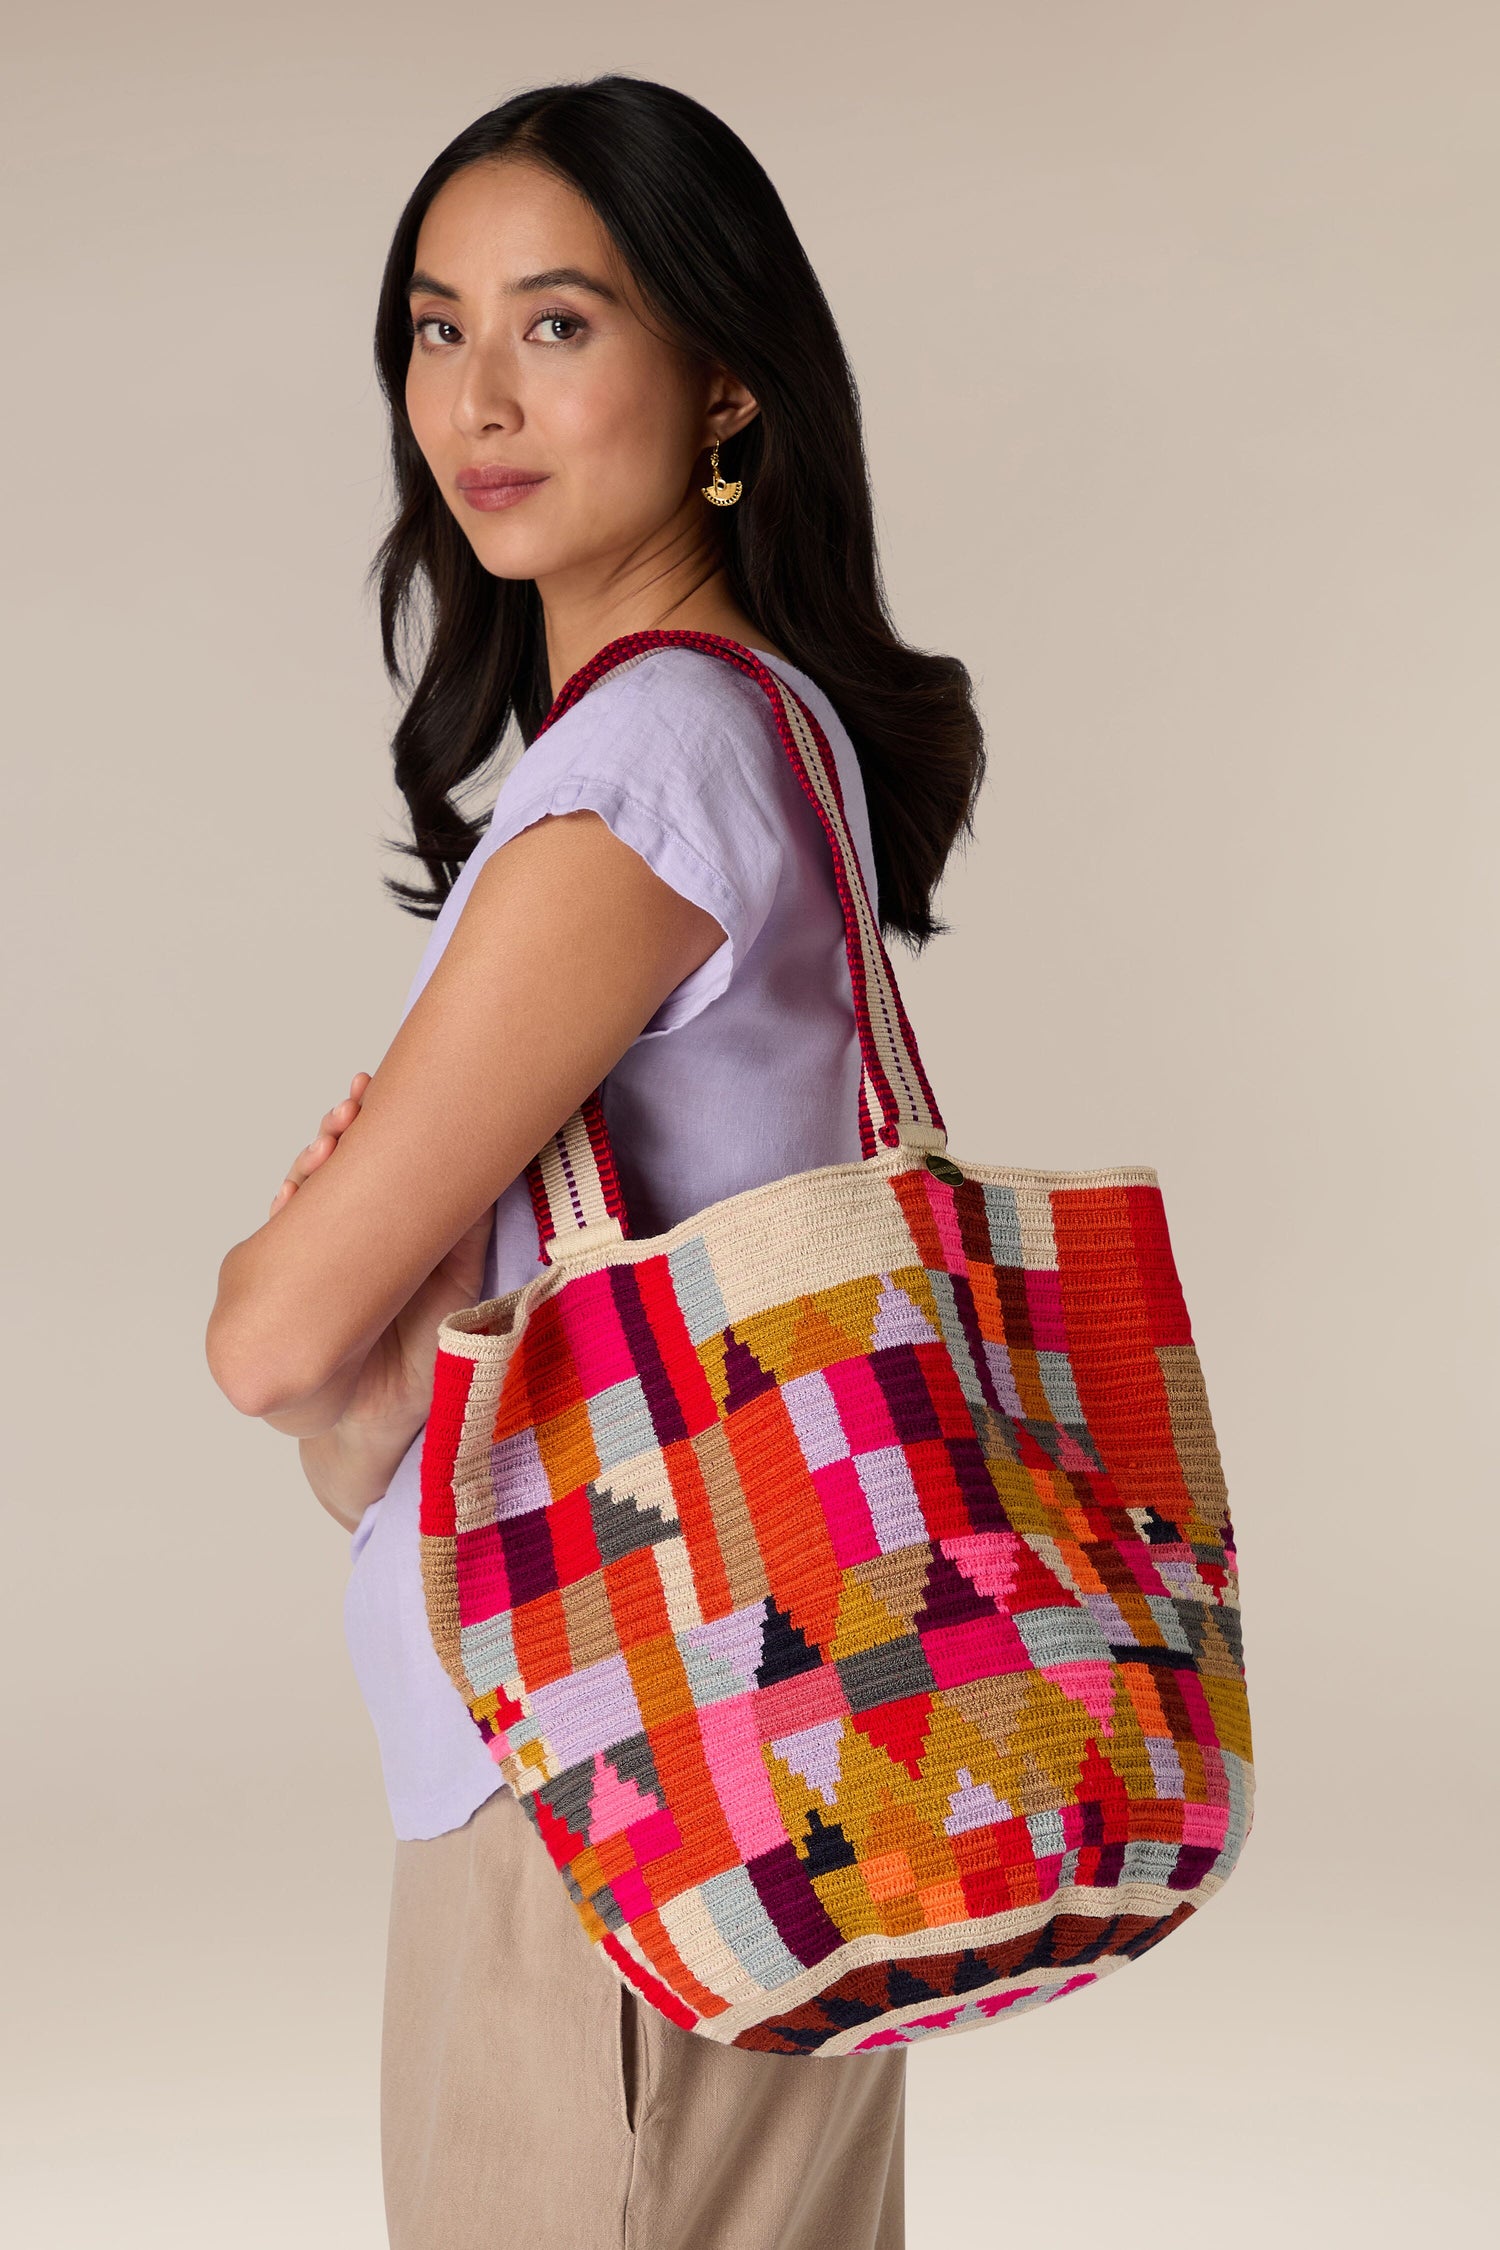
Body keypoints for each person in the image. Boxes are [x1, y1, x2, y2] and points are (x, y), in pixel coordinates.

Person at [206, 72, 985, 2250]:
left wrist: (312, 1275)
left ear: (725, 374)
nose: (479, 393)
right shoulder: (772, 727)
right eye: (435, 327)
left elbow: (275, 1342)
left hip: (609, 1796)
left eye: (560, 322)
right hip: (803, 1751)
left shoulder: (635, 772)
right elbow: (405, 1399)